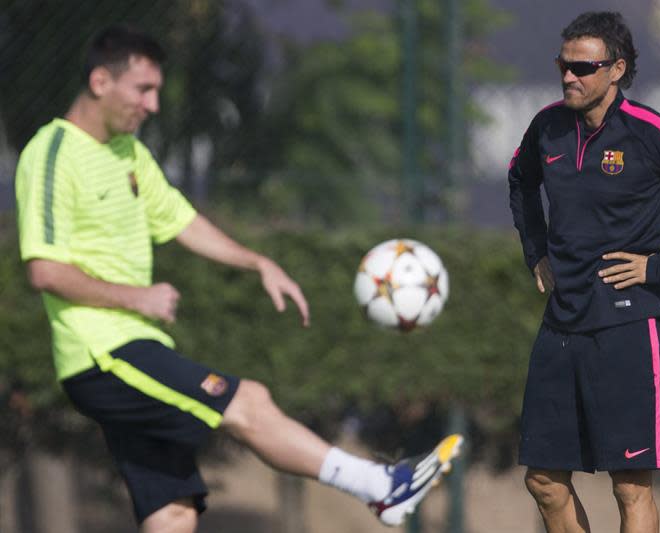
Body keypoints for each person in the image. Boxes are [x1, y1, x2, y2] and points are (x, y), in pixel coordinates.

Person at [15, 26, 463, 533]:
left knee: (174, 511)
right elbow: (45, 271)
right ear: (100, 81)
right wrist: (136, 297)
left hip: (131, 348)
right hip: (102, 355)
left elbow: (184, 223)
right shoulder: (52, 152)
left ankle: (382, 489)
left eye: (158, 90)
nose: (154, 105)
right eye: (143, 90)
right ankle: (381, 487)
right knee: (248, 402)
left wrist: (257, 262)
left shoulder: (129, 154)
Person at [507, 11, 660, 533]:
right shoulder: (548, 127)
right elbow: (519, 180)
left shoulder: (651, 132)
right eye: (564, 64)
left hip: (625, 326)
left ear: (617, 69)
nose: (568, 76)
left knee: (630, 487)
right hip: (560, 324)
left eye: (584, 67)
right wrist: (537, 252)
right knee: (544, 481)